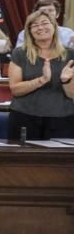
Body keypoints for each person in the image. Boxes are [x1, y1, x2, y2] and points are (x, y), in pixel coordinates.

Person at [6, 11, 74, 140]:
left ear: (54, 26)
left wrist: (66, 81)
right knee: (23, 159)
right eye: (35, 25)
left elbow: (72, 94)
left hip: (63, 118)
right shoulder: (20, 54)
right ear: (29, 31)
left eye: (44, 23)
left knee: (60, 160)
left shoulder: (70, 55)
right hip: (24, 116)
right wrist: (42, 80)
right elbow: (15, 89)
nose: (40, 28)